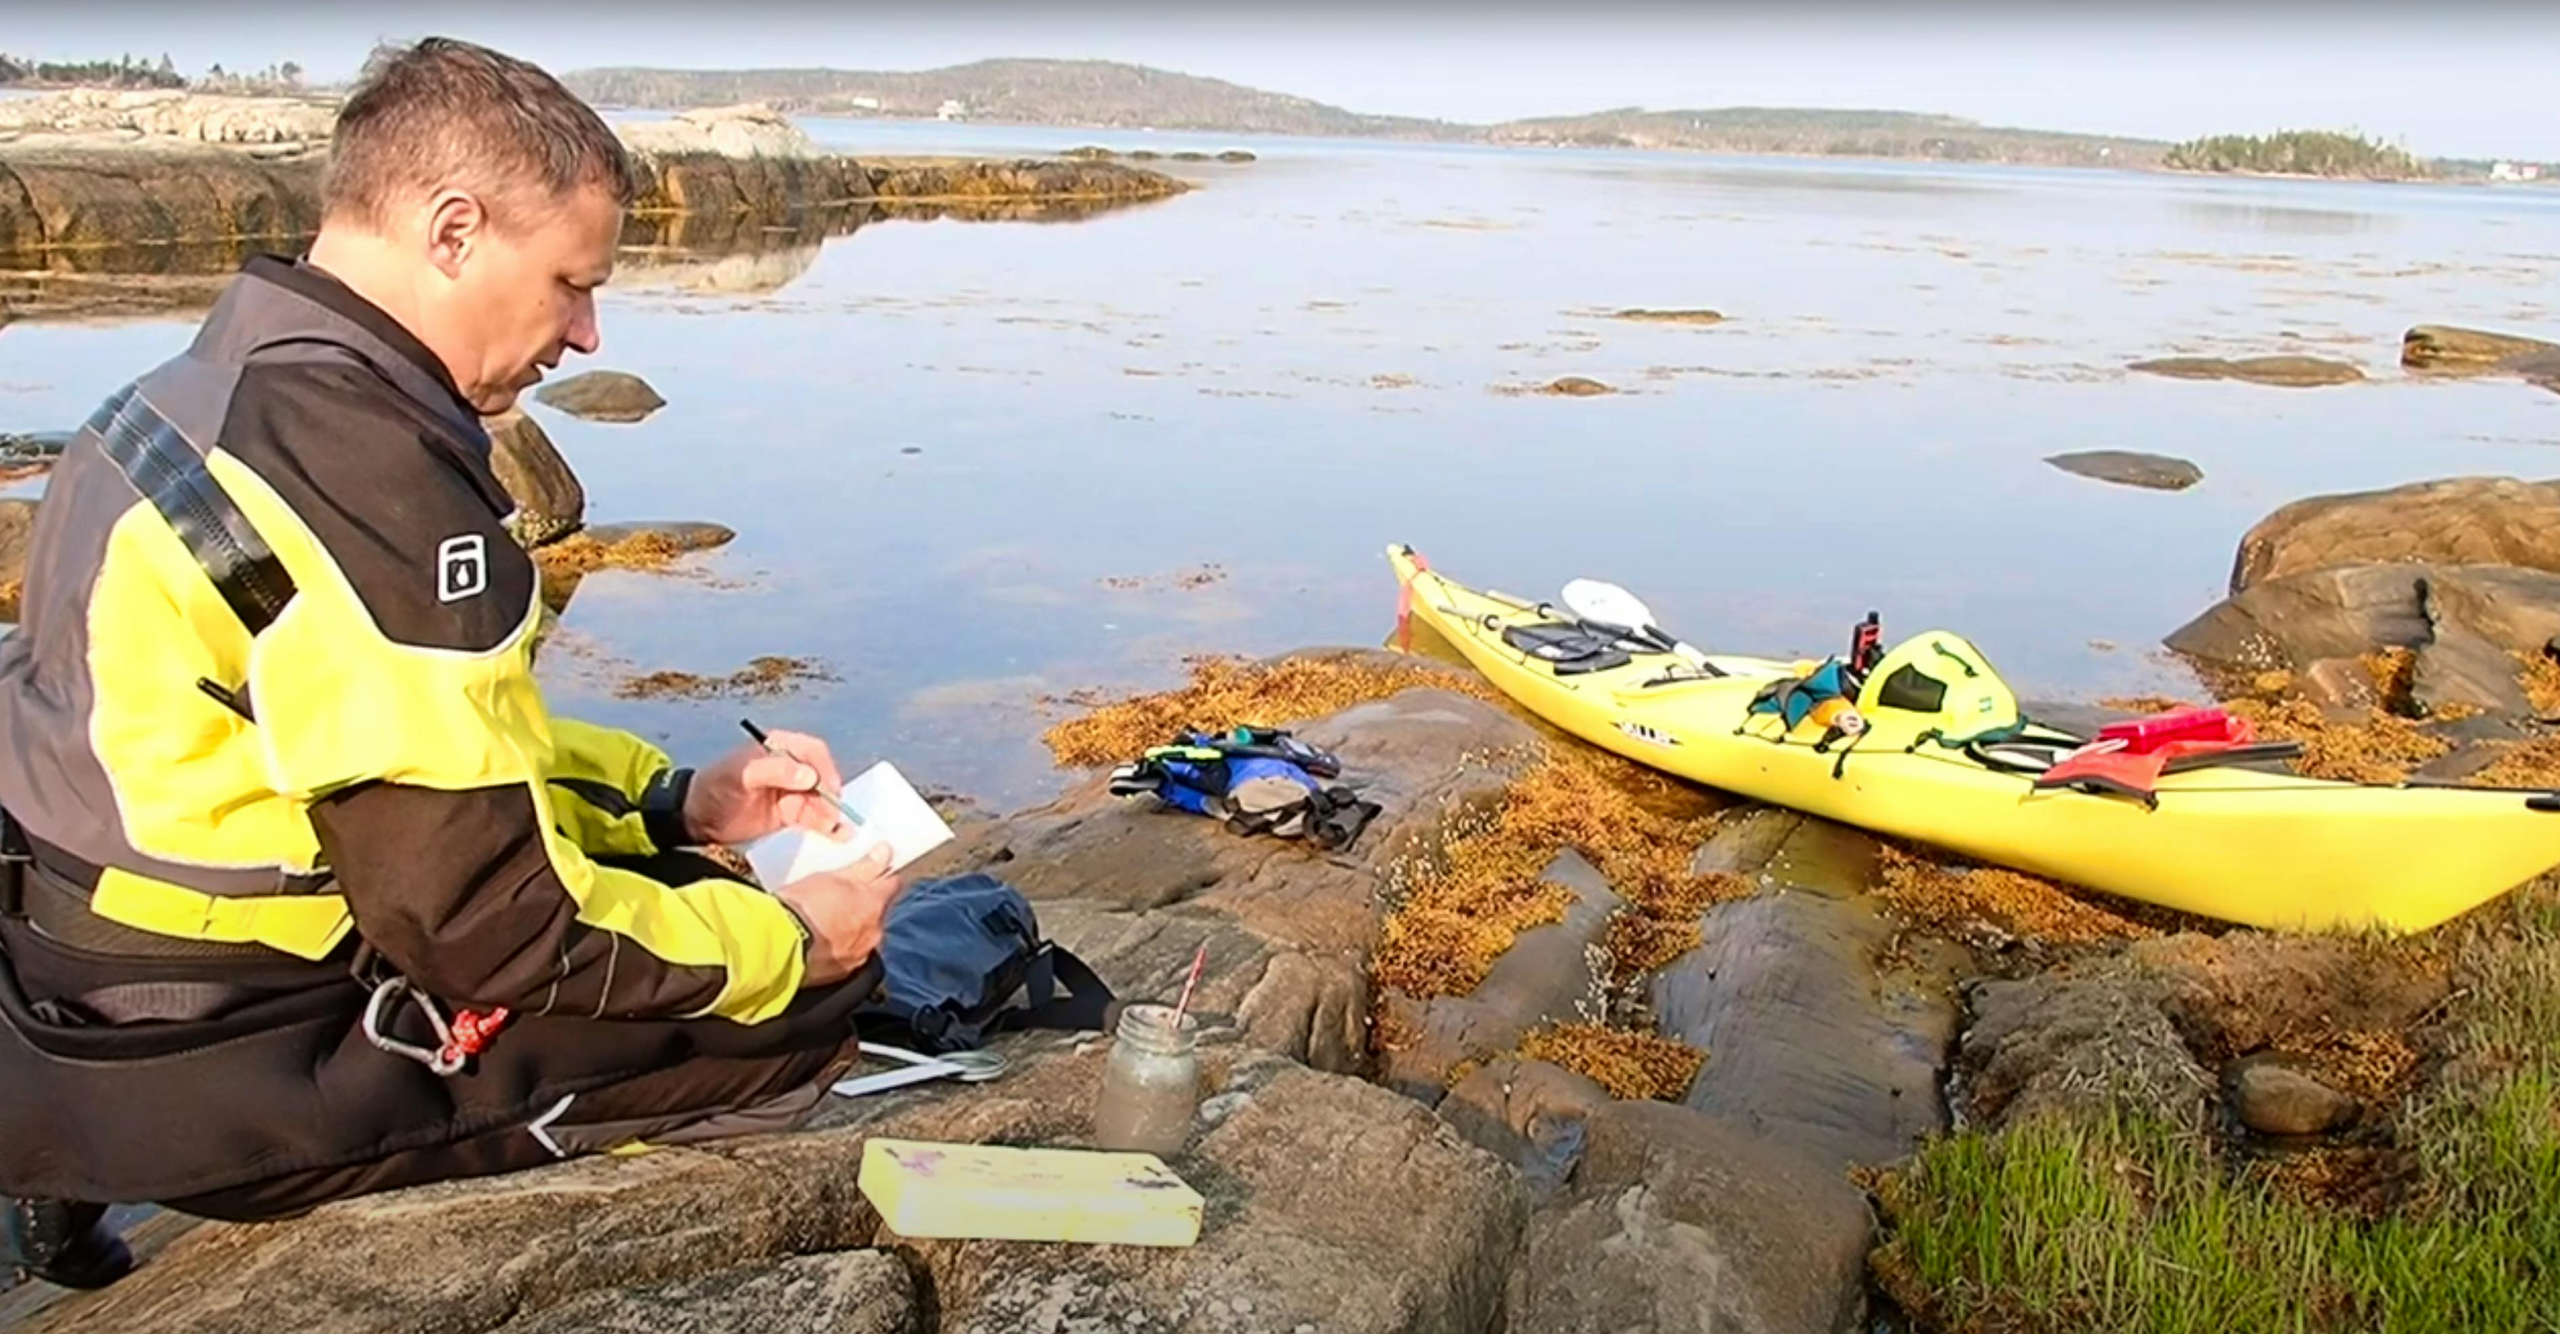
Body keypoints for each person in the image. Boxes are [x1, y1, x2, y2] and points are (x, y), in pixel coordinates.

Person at [0, 37, 904, 1289]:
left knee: (681, 896)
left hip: (73, 989)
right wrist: (791, 937)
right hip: (244, 1040)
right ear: (453, 228)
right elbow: (483, 925)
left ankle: (69, 1168)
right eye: (570, 281)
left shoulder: (185, 395)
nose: (587, 332)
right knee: (799, 1009)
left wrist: (667, 800)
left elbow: (390, 737)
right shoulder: (368, 477)